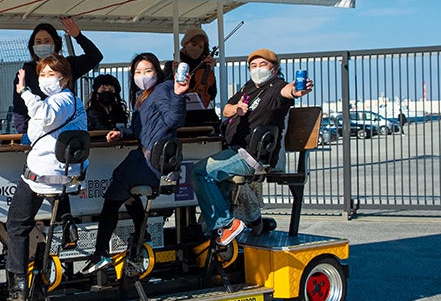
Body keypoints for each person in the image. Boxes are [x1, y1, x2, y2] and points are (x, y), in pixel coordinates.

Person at [190, 48, 313, 246]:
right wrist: (236, 109)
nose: (257, 69)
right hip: (235, 151)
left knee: (200, 172)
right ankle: (217, 234)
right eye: (253, 66)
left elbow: (287, 92)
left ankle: (226, 224)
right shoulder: (247, 88)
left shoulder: (275, 88)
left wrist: (296, 90)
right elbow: (226, 109)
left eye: (262, 65)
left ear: (274, 69)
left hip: (252, 156)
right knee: (217, 183)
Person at [82, 53, 187, 274]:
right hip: (153, 163)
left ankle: (101, 252)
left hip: (148, 163)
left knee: (112, 198)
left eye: (147, 71)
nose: (142, 76)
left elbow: (173, 120)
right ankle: (142, 235)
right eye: (138, 72)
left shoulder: (162, 90)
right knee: (124, 191)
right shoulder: (144, 96)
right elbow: (142, 129)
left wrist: (178, 95)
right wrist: (122, 133)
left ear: (157, 73)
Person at [4, 54, 88, 300]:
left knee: (17, 224)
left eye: (52, 74)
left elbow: (44, 117)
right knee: (55, 192)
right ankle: (66, 220)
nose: (46, 79)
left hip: (42, 175)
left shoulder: (60, 100)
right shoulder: (73, 102)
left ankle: (18, 282)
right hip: (67, 175)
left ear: (65, 78)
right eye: (42, 74)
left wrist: (24, 92)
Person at [10, 17, 102, 133]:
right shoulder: (25, 73)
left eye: (47, 41)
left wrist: (78, 36)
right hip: (39, 132)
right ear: (32, 46)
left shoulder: (68, 65)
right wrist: (25, 133)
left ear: (56, 44)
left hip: (66, 131)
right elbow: (19, 109)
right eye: (38, 42)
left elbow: (95, 56)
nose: (42, 45)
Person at [163, 26, 219, 126]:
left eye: (201, 47)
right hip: (179, 111)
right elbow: (164, 91)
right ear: (185, 44)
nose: (197, 49)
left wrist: (209, 71)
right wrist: (172, 73)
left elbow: (212, 94)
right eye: (193, 44)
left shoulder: (205, 67)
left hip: (201, 113)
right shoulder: (172, 65)